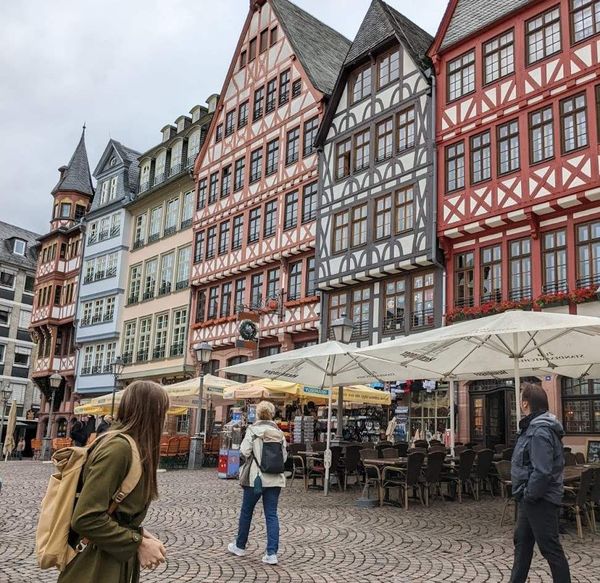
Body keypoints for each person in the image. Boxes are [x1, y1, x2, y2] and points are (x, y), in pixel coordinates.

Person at [58, 380, 170, 583]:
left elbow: (116, 511)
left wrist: (141, 533)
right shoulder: (118, 450)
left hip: (109, 558)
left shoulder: (131, 447)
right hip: (96, 565)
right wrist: (138, 543)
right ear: (152, 414)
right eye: (163, 413)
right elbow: (86, 517)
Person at [509, 383, 571, 583]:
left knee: (550, 548)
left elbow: (542, 471)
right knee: (522, 543)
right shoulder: (534, 428)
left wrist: (529, 494)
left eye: (520, 399)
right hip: (531, 498)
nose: (519, 403)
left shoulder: (539, 431)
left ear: (525, 403)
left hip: (539, 499)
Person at [228, 401, 287, 565]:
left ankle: (240, 546)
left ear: (258, 414)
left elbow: (244, 451)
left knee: (246, 512)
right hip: (274, 479)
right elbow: (284, 457)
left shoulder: (253, 430)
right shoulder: (279, 433)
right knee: (271, 515)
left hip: (255, 478)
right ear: (272, 414)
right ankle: (272, 553)